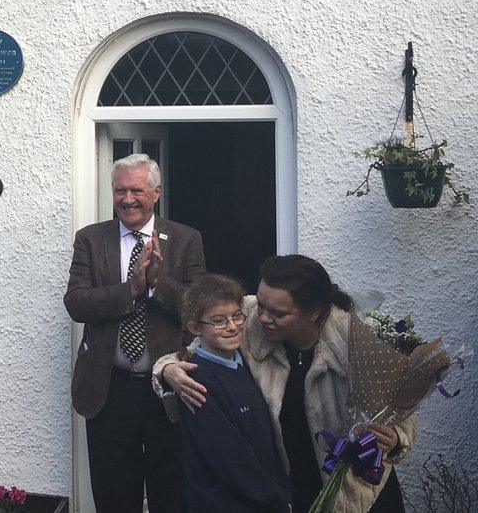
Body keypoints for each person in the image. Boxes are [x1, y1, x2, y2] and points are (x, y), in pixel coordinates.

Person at [158, 254, 416, 513]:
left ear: (313, 313)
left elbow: (400, 404)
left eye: (278, 313)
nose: (263, 318)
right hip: (293, 488)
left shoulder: (351, 340)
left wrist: (395, 438)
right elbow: (199, 348)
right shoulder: (245, 318)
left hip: (356, 488)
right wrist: (167, 369)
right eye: (260, 305)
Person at [64, 153, 205, 513]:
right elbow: (77, 303)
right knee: (114, 495)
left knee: (170, 492)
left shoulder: (186, 240)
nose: (127, 199)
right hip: (110, 389)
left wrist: (157, 283)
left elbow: (198, 309)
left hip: (167, 389)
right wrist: (132, 289)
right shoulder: (91, 239)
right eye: (119, 191)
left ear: (156, 192)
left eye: (137, 190)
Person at [175, 274, 292, 512]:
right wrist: (275, 500)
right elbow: (228, 457)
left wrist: (283, 491)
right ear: (195, 327)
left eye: (236, 316)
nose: (231, 326)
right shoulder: (197, 380)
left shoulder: (246, 365)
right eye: (218, 320)